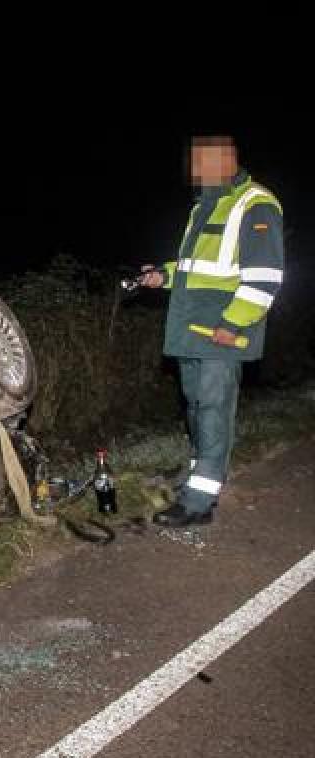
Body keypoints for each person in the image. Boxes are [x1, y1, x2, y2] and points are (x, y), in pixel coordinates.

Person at [139, 135, 283, 528]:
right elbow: (195, 267)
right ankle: (198, 473)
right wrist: (162, 275)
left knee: (214, 409)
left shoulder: (256, 204)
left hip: (221, 329)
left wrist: (233, 323)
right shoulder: (207, 203)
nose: (197, 171)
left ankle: (200, 501)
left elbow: (265, 276)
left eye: (204, 162)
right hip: (191, 326)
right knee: (196, 404)